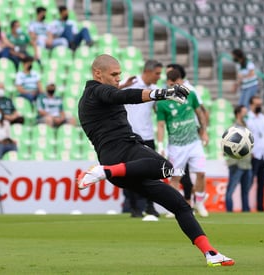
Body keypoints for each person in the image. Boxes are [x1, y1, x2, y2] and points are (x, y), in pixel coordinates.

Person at [77, 54, 234, 266]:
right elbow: (123, 96)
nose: (117, 79)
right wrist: (164, 93)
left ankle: (210, 253)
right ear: (97, 73)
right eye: (114, 75)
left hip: (123, 166)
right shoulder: (95, 92)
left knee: (180, 206)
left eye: (119, 75)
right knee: (166, 167)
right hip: (121, 154)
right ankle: (103, 172)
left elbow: (119, 94)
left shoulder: (99, 94)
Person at [157, 69, 209, 218]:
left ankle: (199, 202)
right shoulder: (163, 103)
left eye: (178, 83)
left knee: (201, 173)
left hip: (194, 143)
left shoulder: (190, 95)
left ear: (181, 82)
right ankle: (173, 207)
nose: (175, 87)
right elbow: (160, 125)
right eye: (172, 84)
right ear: (168, 83)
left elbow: (200, 114)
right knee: (176, 177)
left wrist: (204, 132)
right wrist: (160, 145)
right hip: (176, 146)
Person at [119, 60, 163, 218]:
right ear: (148, 71)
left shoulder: (155, 90)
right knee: (128, 173)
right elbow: (107, 93)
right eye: (157, 73)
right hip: (128, 136)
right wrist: (123, 86)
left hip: (148, 136)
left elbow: (160, 111)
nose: (159, 76)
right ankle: (133, 207)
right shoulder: (131, 82)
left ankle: (150, 206)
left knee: (151, 172)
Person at [246, 95, 264, 212]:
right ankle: (245, 205)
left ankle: (260, 206)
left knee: (262, 182)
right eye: (257, 104)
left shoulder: (263, 118)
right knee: (249, 181)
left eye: (260, 105)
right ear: (251, 105)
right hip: (254, 154)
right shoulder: (248, 119)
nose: (259, 107)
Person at [225, 105, 252, 212]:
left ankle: (245, 210)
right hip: (236, 162)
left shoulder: (246, 127)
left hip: (247, 162)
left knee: (246, 189)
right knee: (231, 188)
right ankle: (229, 210)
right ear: (238, 113)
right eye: (244, 112)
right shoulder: (233, 128)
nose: (246, 114)